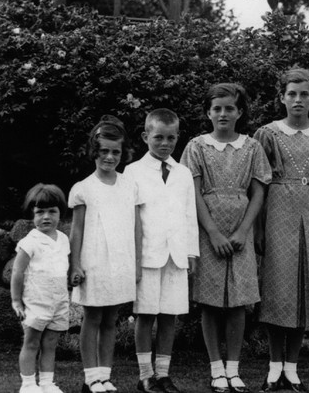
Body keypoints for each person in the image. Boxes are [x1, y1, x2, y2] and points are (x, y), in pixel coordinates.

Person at [180, 83, 271, 393]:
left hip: (240, 230)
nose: (223, 113)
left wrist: (244, 230)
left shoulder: (252, 147)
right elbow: (191, 191)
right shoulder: (196, 147)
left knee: (237, 303)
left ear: (239, 112)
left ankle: (234, 370)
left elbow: (259, 190)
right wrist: (214, 233)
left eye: (229, 108)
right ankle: (216, 369)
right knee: (210, 303)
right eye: (217, 108)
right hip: (209, 229)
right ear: (208, 112)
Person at [254, 68, 309, 393]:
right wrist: (259, 228)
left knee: (305, 290)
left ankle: (292, 368)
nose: (298, 100)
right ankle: (274, 368)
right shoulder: (268, 134)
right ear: (282, 97)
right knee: (279, 288)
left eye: (304, 94)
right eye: (292, 93)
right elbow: (260, 184)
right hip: (278, 211)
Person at [125, 108, 199, 393]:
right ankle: (145, 375)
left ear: (178, 137)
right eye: (158, 137)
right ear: (146, 137)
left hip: (177, 255)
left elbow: (189, 215)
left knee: (170, 315)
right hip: (147, 256)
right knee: (146, 315)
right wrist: (133, 257)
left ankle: (163, 374)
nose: (165, 143)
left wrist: (192, 253)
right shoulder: (132, 172)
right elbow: (131, 218)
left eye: (171, 138)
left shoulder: (182, 173)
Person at [69, 116, 143, 393]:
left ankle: (105, 375)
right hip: (95, 261)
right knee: (93, 318)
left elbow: (136, 229)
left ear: (122, 154)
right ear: (94, 152)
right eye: (104, 151)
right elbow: (76, 232)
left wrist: (136, 264)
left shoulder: (130, 186)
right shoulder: (83, 188)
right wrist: (75, 264)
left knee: (111, 319)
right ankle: (90, 377)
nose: (110, 157)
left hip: (121, 262)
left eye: (115, 152)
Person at [10, 184, 70, 393]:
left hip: (59, 301)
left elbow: (64, 266)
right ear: (32, 215)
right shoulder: (29, 242)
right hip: (36, 301)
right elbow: (17, 272)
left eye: (52, 211)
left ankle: (46, 383)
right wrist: (16, 301)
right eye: (40, 212)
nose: (46, 217)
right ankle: (28, 385)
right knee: (32, 342)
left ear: (60, 213)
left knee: (51, 343)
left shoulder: (63, 239)